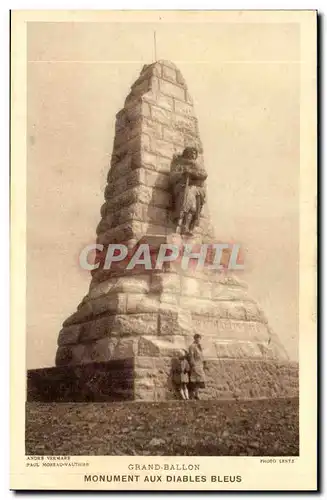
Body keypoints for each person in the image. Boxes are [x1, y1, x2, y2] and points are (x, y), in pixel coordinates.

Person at [188, 334, 206, 400]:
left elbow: (202, 356)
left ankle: (196, 393)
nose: (198, 340)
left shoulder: (200, 346)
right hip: (195, 365)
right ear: (195, 338)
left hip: (200, 365)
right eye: (197, 338)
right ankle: (193, 395)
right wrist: (193, 364)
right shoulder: (192, 346)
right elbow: (191, 356)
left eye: (199, 338)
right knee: (194, 380)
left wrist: (203, 364)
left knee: (200, 380)